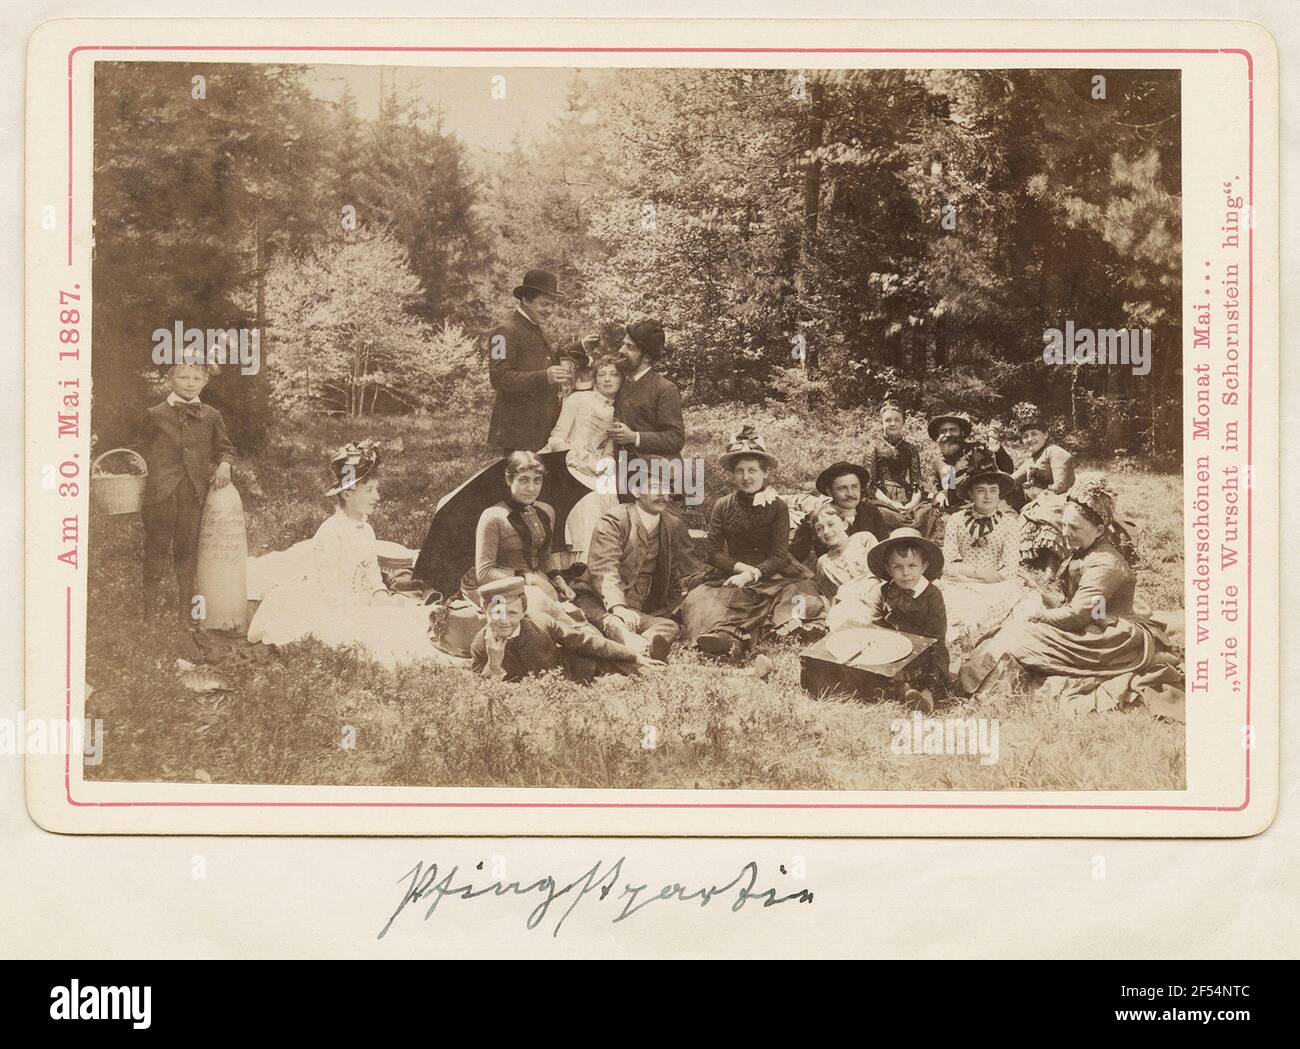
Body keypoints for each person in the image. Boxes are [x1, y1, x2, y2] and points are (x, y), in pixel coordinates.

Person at [959, 475, 1175, 695]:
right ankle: (975, 678)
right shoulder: (1086, 551)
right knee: (1014, 629)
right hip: (1092, 621)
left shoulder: (1105, 563)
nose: (1064, 533)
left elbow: (1078, 615)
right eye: (1063, 525)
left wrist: (1039, 617)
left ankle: (981, 685)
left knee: (1022, 635)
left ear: (1099, 530)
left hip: (1108, 636)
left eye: (1074, 528)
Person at [247, 441, 448, 669]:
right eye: (369, 490)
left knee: (413, 617)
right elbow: (330, 590)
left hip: (359, 601)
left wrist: (382, 597)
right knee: (379, 635)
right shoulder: (331, 532)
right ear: (348, 495)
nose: (378, 496)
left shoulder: (366, 529)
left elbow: (372, 576)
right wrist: (366, 609)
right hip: (334, 605)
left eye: (377, 489)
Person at [679, 427, 823, 662]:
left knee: (796, 597)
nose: (746, 477)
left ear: (765, 473)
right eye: (740, 471)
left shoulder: (777, 506)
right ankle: (723, 640)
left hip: (771, 573)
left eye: (753, 470)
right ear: (733, 475)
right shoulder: (723, 505)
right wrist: (740, 570)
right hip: (733, 571)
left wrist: (753, 574)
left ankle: (750, 636)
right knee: (704, 600)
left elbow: (778, 555)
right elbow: (713, 552)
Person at [135, 358, 237, 622]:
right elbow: (138, 450)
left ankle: (184, 615)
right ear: (170, 379)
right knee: (156, 548)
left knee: (187, 551)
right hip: (161, 494)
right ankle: (150, 615)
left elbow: (225, 447)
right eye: (183, 377)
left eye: (196, 379)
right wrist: (137, 466)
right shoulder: (154, 414)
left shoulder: (212, 415)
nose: (190, 383)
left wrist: (225, 464)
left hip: (193, 493)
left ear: (205, 381)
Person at [571, 475, 703, 661]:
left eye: (666, 489)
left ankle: (642, 646)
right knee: (615, 623)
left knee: (669, 626)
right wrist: (617, 606)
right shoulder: (615, 519)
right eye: (655, 487)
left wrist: (674, 606)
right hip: (597, 600)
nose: (662, 494)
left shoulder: (671, 524)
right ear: (636, 491)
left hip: (638, 609)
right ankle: (629, 643)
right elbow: (604, 568)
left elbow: (677, 571)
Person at [936, 468, 1033, 682]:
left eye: (993, 490)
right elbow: (948, 564)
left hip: (996, 586)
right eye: (981, 490)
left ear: (1000, 494)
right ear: (970, 494)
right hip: (960, 583)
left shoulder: (1009, 523)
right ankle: (948, 665)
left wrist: (985, 577)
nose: (988, 496)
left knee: (1008, 605)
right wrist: (978, 574)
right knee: (949, 609)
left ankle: (980, 663)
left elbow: (1008, 570)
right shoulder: (956, 520)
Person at [471, 576, 662, 684]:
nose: (504, 620)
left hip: (571, 672)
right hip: (533, 694)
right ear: (484, 611)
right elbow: (483, 690)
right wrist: (494, 664)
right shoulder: (480, 644)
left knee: (630, 667)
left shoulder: (540, 621)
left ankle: (646, 657)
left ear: (523, 612)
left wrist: (632, 656)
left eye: (512, 613)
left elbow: (583, 641)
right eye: (496, 612)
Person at [461, 451, 575, 609]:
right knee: (546, 612)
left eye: (537, 480)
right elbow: (485, 573)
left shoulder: (547, 511)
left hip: (536, 581)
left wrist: (558, 581)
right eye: (523, 480)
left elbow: (545, 555)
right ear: (509, 479)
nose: (531, 488)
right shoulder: (493, 516)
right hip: (501, 585)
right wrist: (529, 579)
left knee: (568, 613)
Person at [542, 355, 622, 565]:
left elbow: (609, 450)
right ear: (594, 378)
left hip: (596, 466)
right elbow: (557, 436)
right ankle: (576, 564)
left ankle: (598, 565)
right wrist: (573, 459)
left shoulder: (620, 409)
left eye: (614, 374)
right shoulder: (578, 399)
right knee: (586, 498)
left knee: (606, 492)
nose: (607, 379)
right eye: (602, 374)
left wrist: (603, 465)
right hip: (567, 460)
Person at [861, 527, 950, 713]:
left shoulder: (932, 595)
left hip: (926, 650)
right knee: (873, 668)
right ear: (888, 568)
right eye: (898, 567)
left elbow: (936, 636)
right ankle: (905, 691)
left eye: (912, 566)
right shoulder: (882, 591)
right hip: (892, 648)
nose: (905, 573)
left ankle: (927, 696)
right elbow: (874, 625)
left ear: (924, 566)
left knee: (933, 671)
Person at [486, 269, 573, 454]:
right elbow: (499, 378)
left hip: (540, 430)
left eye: (552, 305)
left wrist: (580, 347)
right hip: (518, 433)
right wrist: (545, 377)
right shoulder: (503, 332)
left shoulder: (536, 327)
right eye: (544, 304)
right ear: (525, 300)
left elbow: (545, 358)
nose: (549, 311)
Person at [608, 319, 685, 478]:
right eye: (623, 344)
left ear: (648, 357)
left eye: (630, 347)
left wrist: (634, 437)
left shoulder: (665, 388)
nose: (621, 350)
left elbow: (675, 438)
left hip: (654, 475)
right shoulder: (618, 382)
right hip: (619, 470)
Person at [924, 411, 1015, 528]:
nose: (947, 434)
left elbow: (1007, 468)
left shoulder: (977, 449)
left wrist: (997, 448)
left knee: (1011, 523)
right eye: (943, 431)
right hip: (958, 510)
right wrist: (940, 494)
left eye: (952, 430)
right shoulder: (937, 462)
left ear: (961, 433)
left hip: (989, 502)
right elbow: (937, 488)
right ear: (937, 436)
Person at [790, 461, 887, 567]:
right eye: (842, 488)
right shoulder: (817, 518)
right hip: (837, 574)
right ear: (830, 491)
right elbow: (793, 556)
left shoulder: (870, 511)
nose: (850, 494)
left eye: (854, 487)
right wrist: (805, 571)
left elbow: (885, 548)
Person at [864, 401, 938, 536]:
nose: (893, 423)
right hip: (882, 496)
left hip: (907, 494)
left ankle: (915, 541)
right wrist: (891, 503)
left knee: (928, 510)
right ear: (882, 423)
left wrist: (912, 504)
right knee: (880, 513)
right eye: (888, 420)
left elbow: (916, 483)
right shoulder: (873, 447)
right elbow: (870, 485)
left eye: (897, 420)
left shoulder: (910, 448)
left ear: (903, 422)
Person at [1004, 401, 1075, 510]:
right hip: (1037, 506)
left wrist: (1032, 499)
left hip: (1058, 507)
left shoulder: (1055, 452)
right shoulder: (1031, 461)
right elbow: (1009, 481)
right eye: (1025, 436)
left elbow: (1060, 488)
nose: (1029, 439)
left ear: (1045, 435)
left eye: (1034, 434)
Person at [810, 504, 879, 599]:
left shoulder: (863, 539)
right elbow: (831, 596)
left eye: (831, 524)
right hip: (852, 605)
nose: (825, 531)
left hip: (878, 594)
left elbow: (882, 571)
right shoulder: (824, 562)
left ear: (844, 524)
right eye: (819, 528)